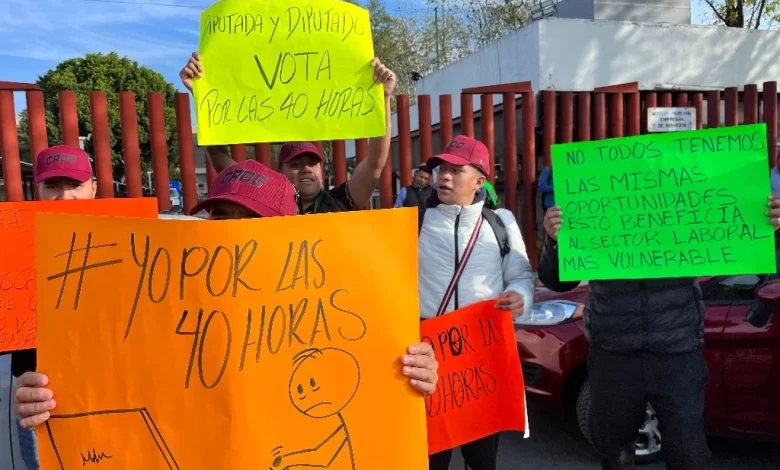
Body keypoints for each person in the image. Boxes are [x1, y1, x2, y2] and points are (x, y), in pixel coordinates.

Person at [14, 160, 439, 467]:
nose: (227, 231)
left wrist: (412, 372)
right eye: (220, 215)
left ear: (287, 231)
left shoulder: (329, 307)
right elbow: (110, 380)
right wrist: (49, 400)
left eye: (247, 219)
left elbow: (366, 389)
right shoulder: (154, 299)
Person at [539, 196, 780, 470]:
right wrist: (553, 241)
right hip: (614, 351)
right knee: (613, 451)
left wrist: (765, 228)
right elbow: (558, 281)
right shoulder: (593, 194)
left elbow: (734, 244)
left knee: (689, 453)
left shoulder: (686, 191)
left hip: (676, 350)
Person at [419, 135, 535, 470]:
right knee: (430, 458)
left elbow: (521, 276)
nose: (444, 175)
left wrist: (521, 297)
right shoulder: (415, 222)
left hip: (482, 357)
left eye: (456, 169)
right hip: (430, 356)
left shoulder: (501, 222)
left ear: (480, 180)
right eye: (441, 167)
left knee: (482, 460)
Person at [180, 52, 395, 214]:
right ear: (279, 171)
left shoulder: (342, 200)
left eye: (312, 163)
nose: (306, 169)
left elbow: (375, 163)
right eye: (295, 164)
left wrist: (383, 98)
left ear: (322, 170)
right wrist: (202, 96)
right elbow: (221, 161)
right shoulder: (262, 203)